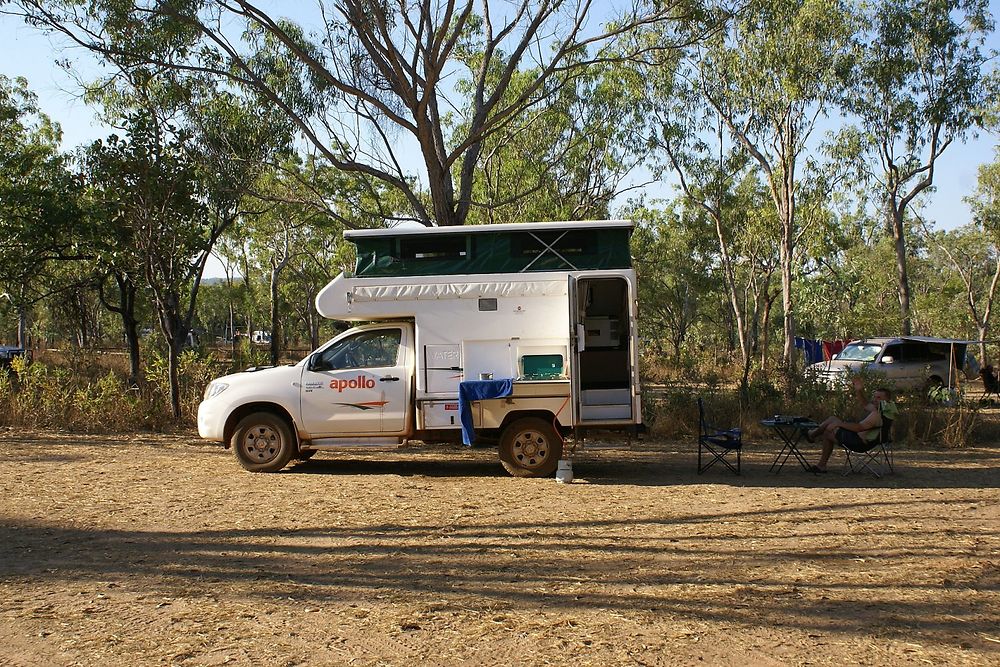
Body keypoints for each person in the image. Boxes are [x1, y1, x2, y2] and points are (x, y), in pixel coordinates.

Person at [806, 376, 897, 473]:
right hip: (872, 441)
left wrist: (839, 424)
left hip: (859, 443)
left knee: (827, 432)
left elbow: (859, 428)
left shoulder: (877, 415)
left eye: (878, 398)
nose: (875, 399)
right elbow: (865, 405)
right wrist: (859, 390)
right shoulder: (888, 409)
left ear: (886, 400)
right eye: (874, 397)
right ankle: (812, 435)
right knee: (832, 419)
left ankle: (820, 463)